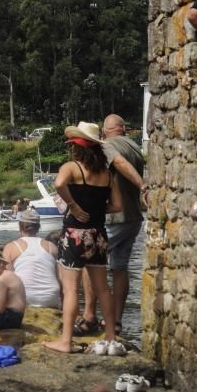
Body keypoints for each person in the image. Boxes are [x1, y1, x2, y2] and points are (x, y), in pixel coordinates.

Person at [42, 123, 125, 356]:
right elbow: (117, 205)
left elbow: (58, 184)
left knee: (70, 290)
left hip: (74, 235)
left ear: (77, 148)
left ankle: (65, 341)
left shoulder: (72, 167)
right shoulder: (106, 174)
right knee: (103, 289)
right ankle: (110, 337)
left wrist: (73, 206)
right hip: (97, 236)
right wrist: (98, 210)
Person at [78, 114, 145, 336]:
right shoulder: (135, 147)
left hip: (114, 218)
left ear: (105, 132)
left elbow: (118, 162)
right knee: (120, 268)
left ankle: (89, 316)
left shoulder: (108, 146)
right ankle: (115, 322)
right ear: (123, 128)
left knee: (89, 261)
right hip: (133, 218)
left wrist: (143, 185)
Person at [3, 209, 61, 309]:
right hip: (51, 297)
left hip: (25, 297)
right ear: (38, 227)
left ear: (20, 226)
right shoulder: (52, 246)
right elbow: (59, 277)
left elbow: (7, 279)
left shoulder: (10, 247)